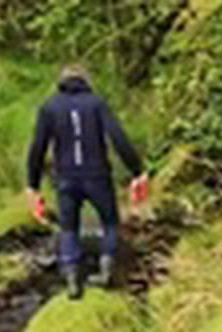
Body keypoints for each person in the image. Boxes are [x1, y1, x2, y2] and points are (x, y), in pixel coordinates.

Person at [26, 63, 149, 299]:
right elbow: (118, 138)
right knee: (109, 222)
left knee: (68, 227)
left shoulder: (50, 107)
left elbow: (38, 148)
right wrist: (137, 171)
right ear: (86, 81)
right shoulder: (97, 104)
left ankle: (72, 278)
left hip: (66, 177)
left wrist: (33, 185)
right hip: (97, 175)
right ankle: (106, 268)